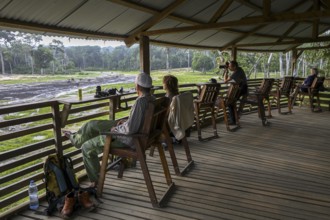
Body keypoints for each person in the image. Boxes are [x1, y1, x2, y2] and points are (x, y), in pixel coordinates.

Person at [63, 72, 154, 187]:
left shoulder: (140, 102)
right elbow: (136, 123)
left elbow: (130, 129)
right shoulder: (151, 99)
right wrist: (125, 123)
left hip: (127, 138)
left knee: (87, 147)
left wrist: (116, 129)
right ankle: (75, 139)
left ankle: (96, 182)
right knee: (92, 125)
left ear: (138, 87)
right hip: (136, 134)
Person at [223, 60, 248, 125]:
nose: (229, 67)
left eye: (230, 66)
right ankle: (234, 118)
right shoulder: (238, 70)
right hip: (243, 88)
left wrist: (226, 71)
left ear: (235, 66)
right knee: (231, 102)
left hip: (242, 89)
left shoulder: (237, 72)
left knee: (230, 103)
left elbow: (225, 81)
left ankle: (233, 121)